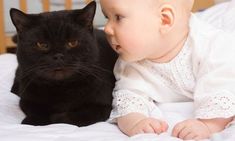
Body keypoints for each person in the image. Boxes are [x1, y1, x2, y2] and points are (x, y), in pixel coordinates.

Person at [100, 0, 235, 140]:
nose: (107, 29)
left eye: (118, 17)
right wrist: (136, 121)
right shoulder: (131, 61)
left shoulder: (213, 47)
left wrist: (207, 125)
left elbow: (223, 88)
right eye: (107, 17)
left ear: (164, 20)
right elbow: (128, 98)